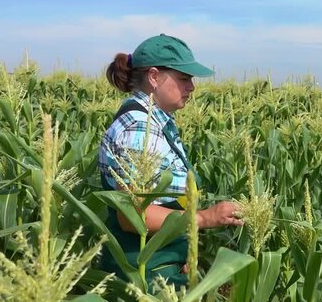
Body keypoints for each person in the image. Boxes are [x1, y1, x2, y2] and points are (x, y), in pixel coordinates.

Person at [98, 34, 243, 288]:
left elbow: (162, 201)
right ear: (154, 77)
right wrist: (206, 218)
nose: (192, 87)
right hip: (142, 277)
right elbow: (133, 216)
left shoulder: (156, 121)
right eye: (184, 78)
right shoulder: (139, 130)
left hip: (162, 267)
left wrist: (182, 250)